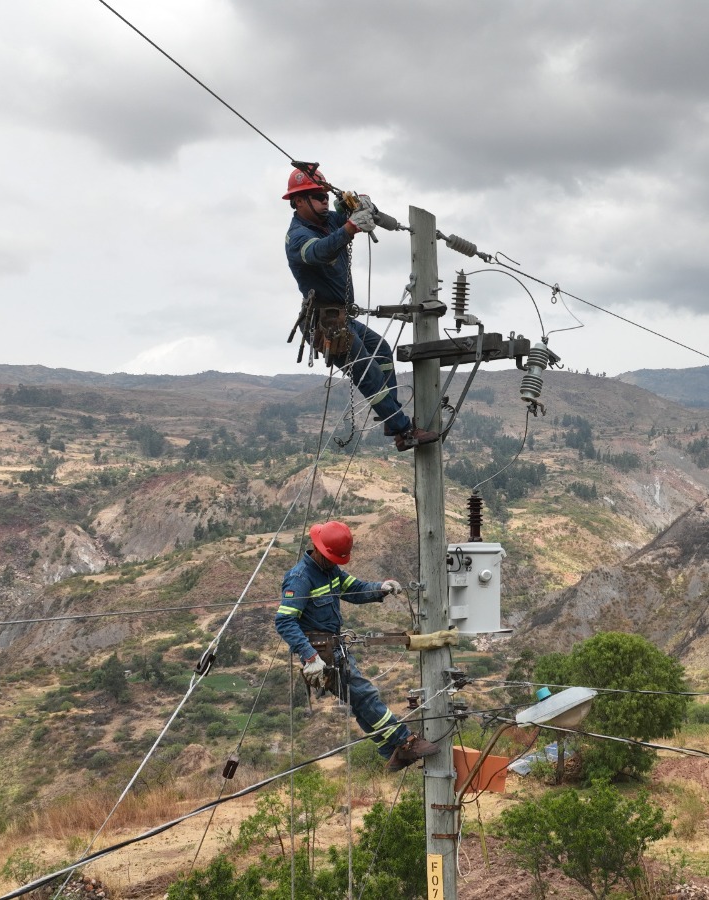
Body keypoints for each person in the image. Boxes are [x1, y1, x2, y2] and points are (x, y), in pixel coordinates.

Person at [283, 167, 438, 452]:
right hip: (323, 321)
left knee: (381, 351)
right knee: (367, 372)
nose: (324, 200)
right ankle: (404, 430)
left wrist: (362, 205)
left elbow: (357, 216)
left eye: (325, 195)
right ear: (299, 202)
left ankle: (392, 421)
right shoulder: (298, 236)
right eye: (317, 196)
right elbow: (319, 251)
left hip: (343, 317)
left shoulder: (328, 220)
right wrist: (350, 227)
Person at [275, 520, 437, 772]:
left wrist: (380, 589)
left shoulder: (330, 571)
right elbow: (284, 621)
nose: (335, 563)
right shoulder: (300, 578)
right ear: (319, 549)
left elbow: (354, 589)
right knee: (365, 696)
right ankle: (404, 742)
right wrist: (309, 656)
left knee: (361, 701)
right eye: (333, 558)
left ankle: (389, 749)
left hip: (333, 648)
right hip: (320, 653)